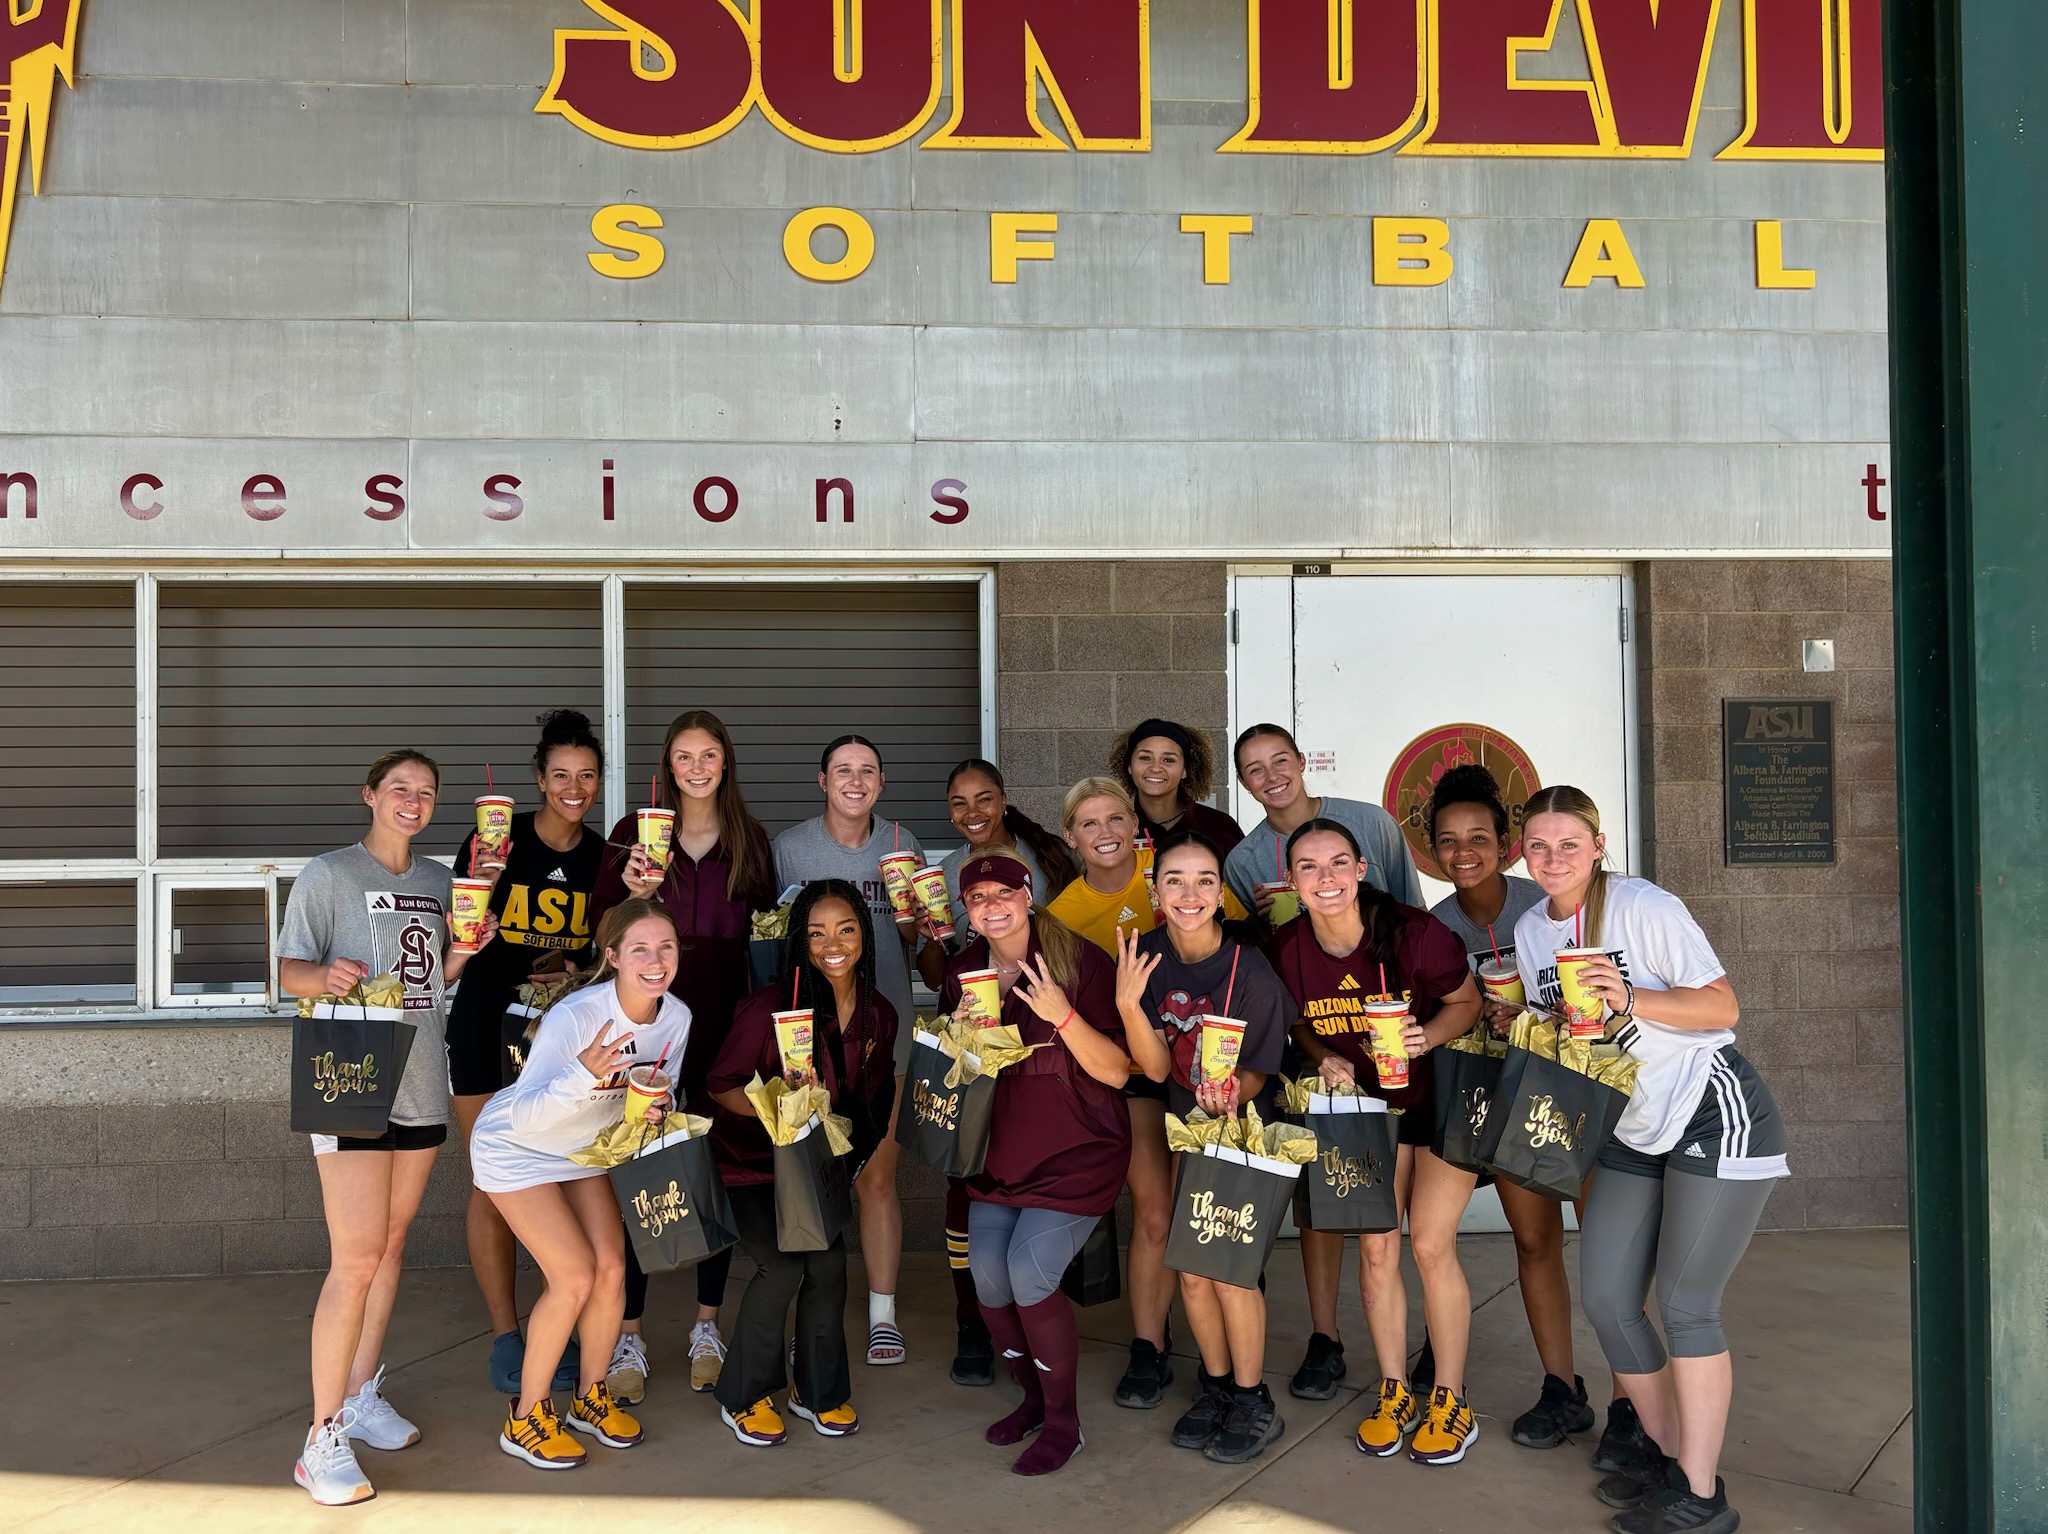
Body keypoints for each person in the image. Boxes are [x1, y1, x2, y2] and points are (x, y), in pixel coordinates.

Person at [1513, 786, 1785, 1534]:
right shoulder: (1534, 930)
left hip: (1711, 1109)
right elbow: (1566, 1034)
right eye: (1538, 845)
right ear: (1523, 852)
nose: (1553, 858)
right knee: (1605, 1297)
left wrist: (1631, 999)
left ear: (1598, 846)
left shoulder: (1644, 906)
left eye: (1570, 843)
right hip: (1630, 1126)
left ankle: (1701, 1497)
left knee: (1687, 1304)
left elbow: (1721, 1007)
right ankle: (1673, 1459)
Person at [278, 750, 484, 1506]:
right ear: (370, 795)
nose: (414, 800)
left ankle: (361, 1395)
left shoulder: (438, 882)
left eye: (427, 793)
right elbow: (287, 970)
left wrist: (466, 950)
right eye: (400, 788)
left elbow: (434, 979)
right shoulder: (329, 874)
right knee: (356, 1258)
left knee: (390, 1247)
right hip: (351, 1077)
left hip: (423, 1077)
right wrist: (323, 976)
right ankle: (320, 1436)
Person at [1269, 819, 1485, 1466]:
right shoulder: (1287, 947)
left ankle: (1450, 1397)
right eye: (1309, 867)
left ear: (1362, 868)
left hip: (1440, 1102)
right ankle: (1394, 1390)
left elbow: (1466, 1002)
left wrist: (1428, 1037)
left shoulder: (1413, 933)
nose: (1326, 878)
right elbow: (1301, 1026)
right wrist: (1320, 1061)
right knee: (1376, 1250)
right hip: (1366, 1115)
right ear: (1292, 881)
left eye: (1338, 863)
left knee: (1429, 1243)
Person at [1045, 776, 1250, 1410]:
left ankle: (1224, 1348)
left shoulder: (1171, 876)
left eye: (1115, 820)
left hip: (1203, 1068)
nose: (1104, 833)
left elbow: (1237, 948)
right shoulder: (1063, 914)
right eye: (1089, 823)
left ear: (1136, 825)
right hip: (1129, 1074)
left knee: (1202, 1217)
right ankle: (1148, 1345)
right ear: (1070, 837)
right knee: (1155, 1212)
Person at [590, 710, 775, 1400]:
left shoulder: (751, 841)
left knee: (710, 1173)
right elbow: (598, 932)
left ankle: (706, 1324)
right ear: (667, 765)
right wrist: (633, 892)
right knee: (639, 1164)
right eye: (683, 756)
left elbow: (766, 942)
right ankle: (629, 1335)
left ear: (726, 763)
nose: (697, 767)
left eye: (709, 755)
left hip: (724, 1026)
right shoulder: (631, 837)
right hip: (651, 1025)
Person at [469, 899, 689, 1469]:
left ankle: (589, 1396)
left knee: (613, 1270)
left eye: (666, 946)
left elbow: (652, 1098)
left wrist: (656, 1108)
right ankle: (525, 1417)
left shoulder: (677, 1018)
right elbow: (526, 1114)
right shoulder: (577, 1017)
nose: (655, 960)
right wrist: (585, 1074)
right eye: (639, 948)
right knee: (572, 1277)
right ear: (612, 956)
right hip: (517, 1147)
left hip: (581, 1149)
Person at [943, 854, 1132, 1475]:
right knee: (988, 1277)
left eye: (1004, 892)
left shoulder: (1080, 962)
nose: (992, 905)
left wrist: (1063, 1015)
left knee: (1028, 1273)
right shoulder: (965, 972)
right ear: (966, 909)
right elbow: (958, 1080)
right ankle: (1032, 1399)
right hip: (998, 1154)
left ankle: (1064, 1422)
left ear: (1029, 895)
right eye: (977, 897)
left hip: (1077, 1150)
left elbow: (1117, 1071)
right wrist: (961, 1044)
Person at [1423, 764, 1591, 1448]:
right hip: (1470, 1095)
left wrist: (1528, 1015)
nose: (1464, 852)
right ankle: (1450, 1359)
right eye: (1449, 840)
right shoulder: (1434, 924)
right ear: (1432, 849)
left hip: (1542, 1093)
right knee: (1433, 1239)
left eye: (1479, 837)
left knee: (1536, 1239)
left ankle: (1571, 1386)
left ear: (1505, 842)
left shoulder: (1541, 902)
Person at [1117, 831, 1294, 1464]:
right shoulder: (1146, 957)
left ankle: (1254, 1399)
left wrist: (1232, 1092)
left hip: (1241, 1132)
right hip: (1186, 1126)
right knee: (1191, 1272)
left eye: (1202, 882)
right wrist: (1127, 1003)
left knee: (1229, 1271)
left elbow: (1262, 1069)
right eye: (1174, 881)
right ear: (1155, 891)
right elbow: (1158, 1065)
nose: (1189, 894)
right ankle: (1217, 1387)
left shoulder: (1249, 967)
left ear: (1221, 893)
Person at [706, 880, 898, 1447]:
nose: (831, 944)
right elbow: (719, 1086)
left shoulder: (878, 1014)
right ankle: (744, 1395)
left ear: (864, 934)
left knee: (830, 1266)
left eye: (845, 929)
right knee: (782, 1267)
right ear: (799, 941)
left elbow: (870, 1095)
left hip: (814, 1171)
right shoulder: (772, 1006)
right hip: (749, 1165)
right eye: (816, 933)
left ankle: (817, 1392)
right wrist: (777, 1110)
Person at [448, 709, 605, 1399]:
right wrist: (481, 877)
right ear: (539, 779)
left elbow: (606, 960)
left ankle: (559, 1318)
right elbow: (463, 933)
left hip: (555, 1047)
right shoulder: (492, 842)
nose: (574, 788)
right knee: (493, 1184)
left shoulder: (603, 859)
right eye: (561, 775)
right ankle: (506, 1335)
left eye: (587, 776)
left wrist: (576, 976)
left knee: (556, 1182)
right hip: (485, 1029)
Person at [913, 756, 1077, 1386]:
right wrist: (925, 928)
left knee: (1031, 1192)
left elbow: (1069, 951)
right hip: (976, 1049)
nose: (972, 812)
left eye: (983, 799)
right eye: (958, 803)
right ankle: (972, 1323)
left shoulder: (1049, 861)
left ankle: (1032, 1323)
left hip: (1046, 1045)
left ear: (1005, 800)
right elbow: (937, 975)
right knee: (968, 1183)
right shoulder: (947, 872)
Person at [771, 735, 921, 1369]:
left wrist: (918, 916)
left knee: (877, 1180)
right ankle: (817, 1313)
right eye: (842, 771)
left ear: (881, 783)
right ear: (822, 780)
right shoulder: (791, 848)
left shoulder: (902, 844)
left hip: (884, 1034)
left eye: (866, 772)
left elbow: (916, 942)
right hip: (810, 1038)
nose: (854, 781)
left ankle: (882, 1315)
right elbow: (775, 939)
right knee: (814, 1180)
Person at [1223, 724, 1421, 924]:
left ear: (1301, 761)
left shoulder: (1372, 823)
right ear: (1243, 782)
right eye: (1256, 770)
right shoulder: (1242, 862)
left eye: (1280, 761)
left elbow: (1417, 917)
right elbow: (1246, 946)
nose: (1272, 776)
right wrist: (1260, 926)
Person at [1109, 718, 1245, 853]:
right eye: (1145, 758)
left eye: (1168, 760)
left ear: (1185, 770)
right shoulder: (1116, 830)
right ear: (1129, 766)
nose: (1156, 768)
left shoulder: (1219, 827)